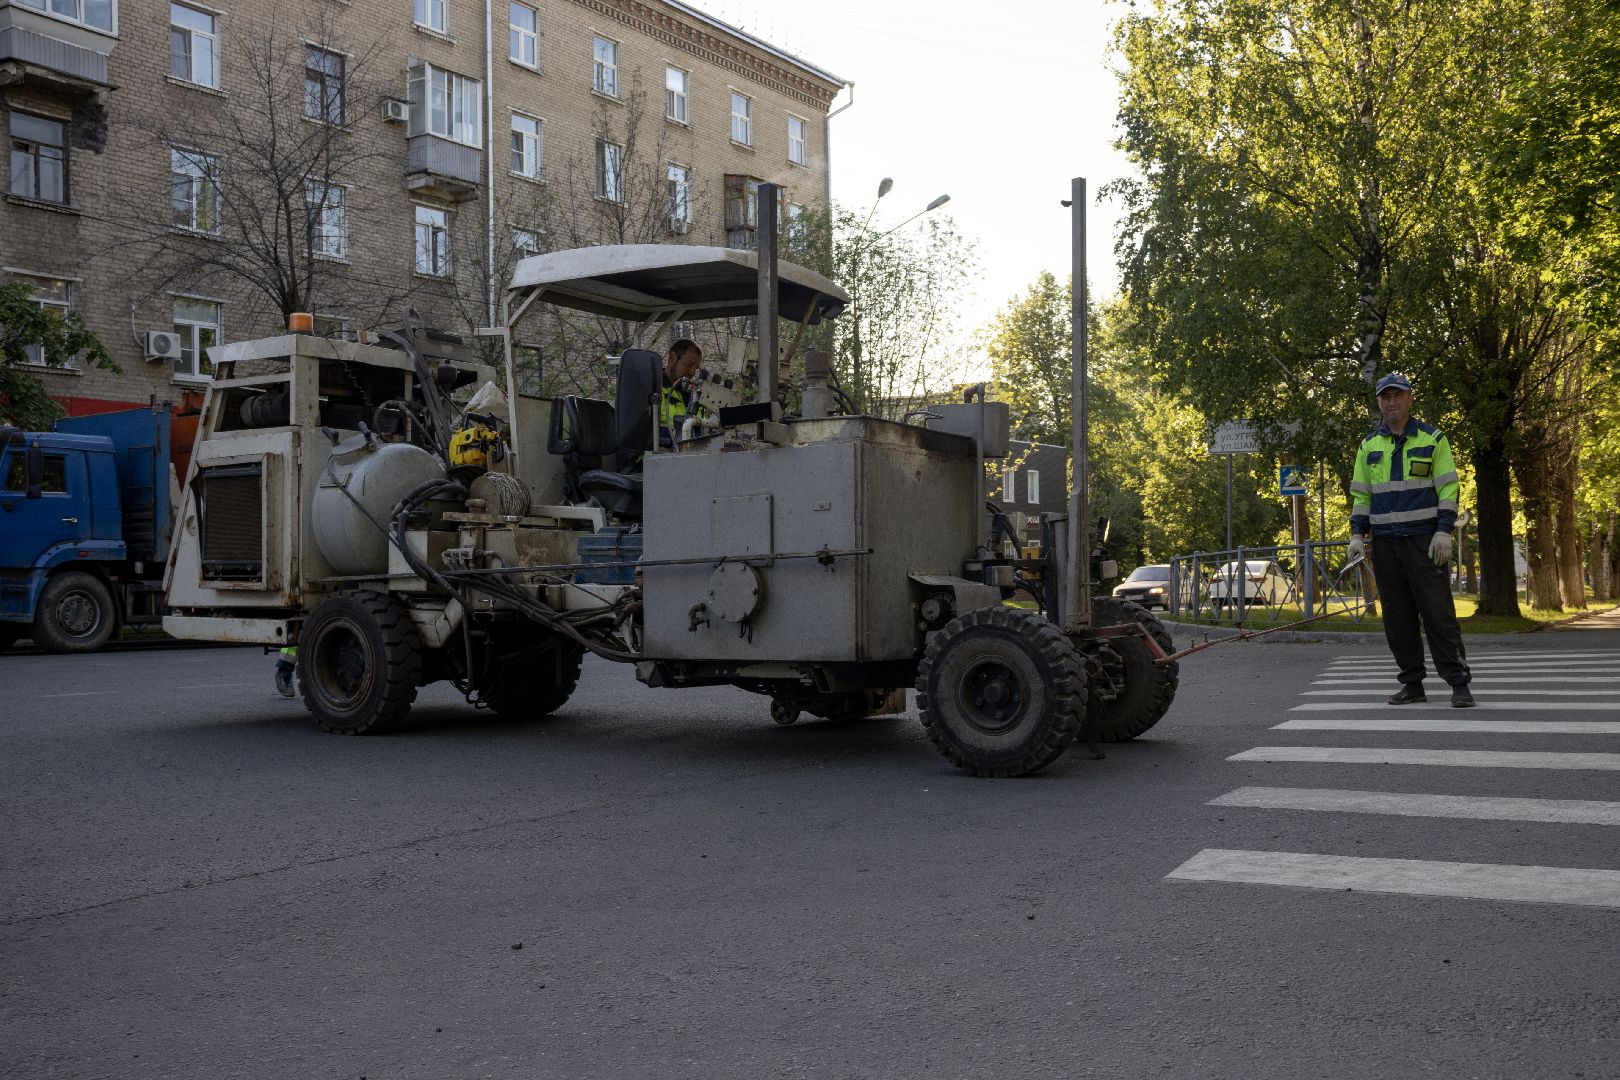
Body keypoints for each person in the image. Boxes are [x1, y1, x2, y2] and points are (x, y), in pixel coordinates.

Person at [1349, 373, 1474, 707]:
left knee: (1438, 614)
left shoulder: (1433, 439)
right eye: (1385, 397)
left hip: (1424, 543)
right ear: (1379, 402)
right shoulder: (1368, 446)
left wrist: (1444, 531)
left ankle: (1458, 683)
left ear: (1409, 398)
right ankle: (1412, 683)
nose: (1392, 402)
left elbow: (1448, 489)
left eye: (1397, 396)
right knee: (1398, 619)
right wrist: (1356, 535)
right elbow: (1361, 495)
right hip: (1386, 545)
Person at [658, 338, 704, 445]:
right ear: (672, 357)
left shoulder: (690, 394)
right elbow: (644, 432)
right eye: (689, 365)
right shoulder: (653, 388)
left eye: (696, 368)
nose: (693, 372)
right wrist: (681, 433)